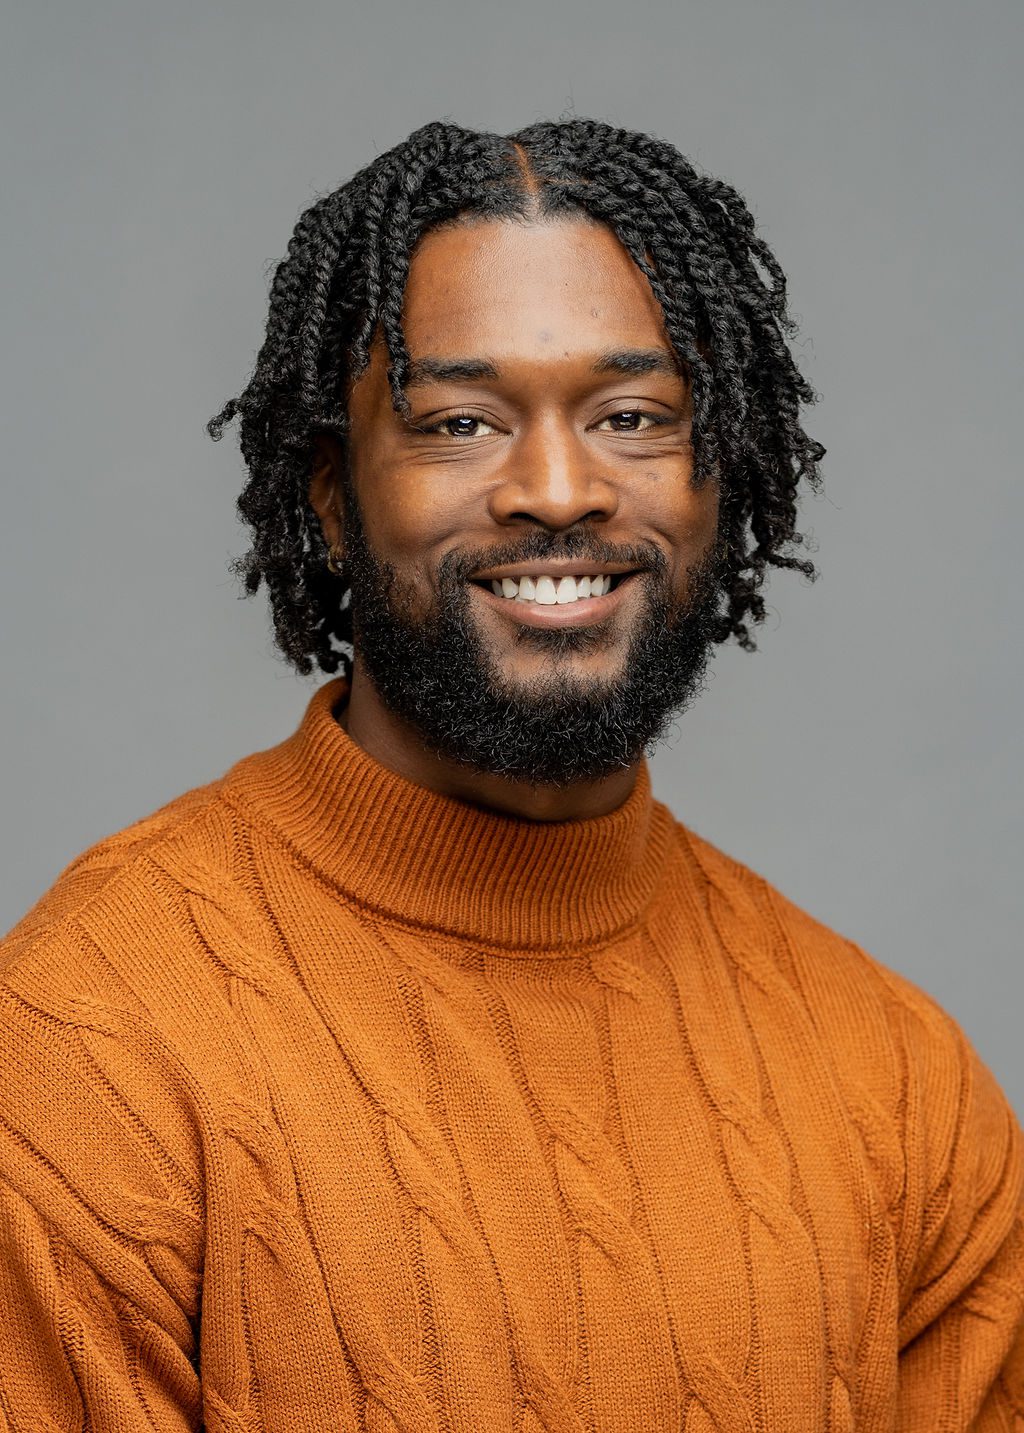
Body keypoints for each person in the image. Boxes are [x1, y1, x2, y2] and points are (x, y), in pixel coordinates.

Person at [1, 119, 1020, 1431]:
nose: (557, 487)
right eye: (463, 419)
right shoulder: (89, 1048)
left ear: (728, 478)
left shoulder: (897, 1077)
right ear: (331, 494)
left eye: (632, 415)